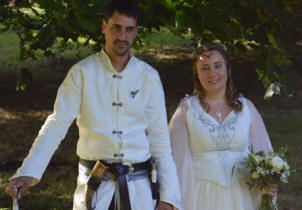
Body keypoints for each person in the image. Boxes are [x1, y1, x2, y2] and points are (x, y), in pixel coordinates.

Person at [6, 1, 182, 209]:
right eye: (116, 27)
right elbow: (57, 124)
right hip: (94, 191)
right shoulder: (81, 73)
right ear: (104, 26)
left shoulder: (149, 78)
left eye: (129, 29)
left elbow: (160, 141)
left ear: (136, 32)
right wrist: (29, 171)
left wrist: (169, 197)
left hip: (139, 193)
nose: (122, 36)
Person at [169, 43, 276, 210]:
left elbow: (265, 155)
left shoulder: (247, 108)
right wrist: (176, 201)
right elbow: (176, 161)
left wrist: (268, 183)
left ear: (227, 69)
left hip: (243, 196)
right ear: (197, 74)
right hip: (200, 196)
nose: (212, 73)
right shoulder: (186, 111)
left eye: (218, 66)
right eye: (205, 68)